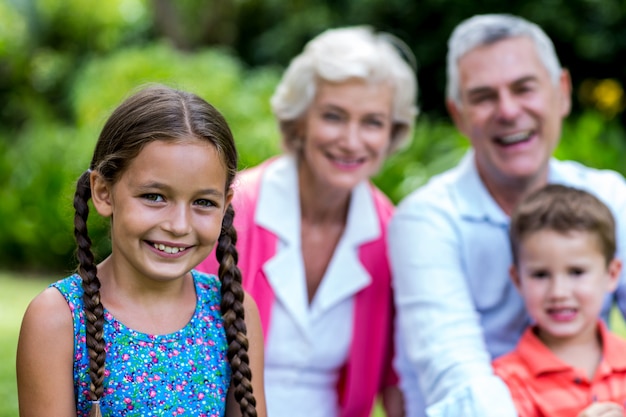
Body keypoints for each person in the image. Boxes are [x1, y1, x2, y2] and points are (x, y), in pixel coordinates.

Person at [388, 13, 626, 417]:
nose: (508, 110)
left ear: (562, 93)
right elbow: (457, 378)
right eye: (483, 97)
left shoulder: (608, 196)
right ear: (458, 114)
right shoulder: (427, 221)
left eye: (524, 88)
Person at [197, 26, 418, 417]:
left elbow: (398, 379)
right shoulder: (231, 209)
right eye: (334, 116)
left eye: (372, 122)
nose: (352, 140)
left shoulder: (393, 233)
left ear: (392, 133)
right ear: (299, 122)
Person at [16, 84, 267, 417]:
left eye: (203, 202)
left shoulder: (232, 312)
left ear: (226, 207)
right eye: (155, 196)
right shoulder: (58, 319)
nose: (179, 225)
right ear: (104, 192)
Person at [494, 184, 626, 417]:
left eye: (576, 272)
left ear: (612, 274)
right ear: (517, 280)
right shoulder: (505, 384)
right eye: (541, 275)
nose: (559, 292)